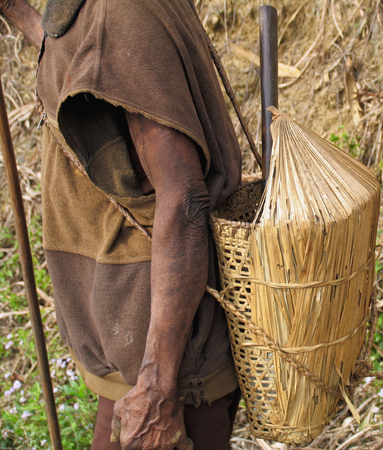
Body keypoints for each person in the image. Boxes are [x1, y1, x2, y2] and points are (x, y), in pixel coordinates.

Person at [0, 1, 243, 449]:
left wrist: (156, 387)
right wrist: (20, 15)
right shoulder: (101, 13)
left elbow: (184, 197)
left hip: (163, 350)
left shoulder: (122, 15)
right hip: (135, 332)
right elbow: (92, 67)